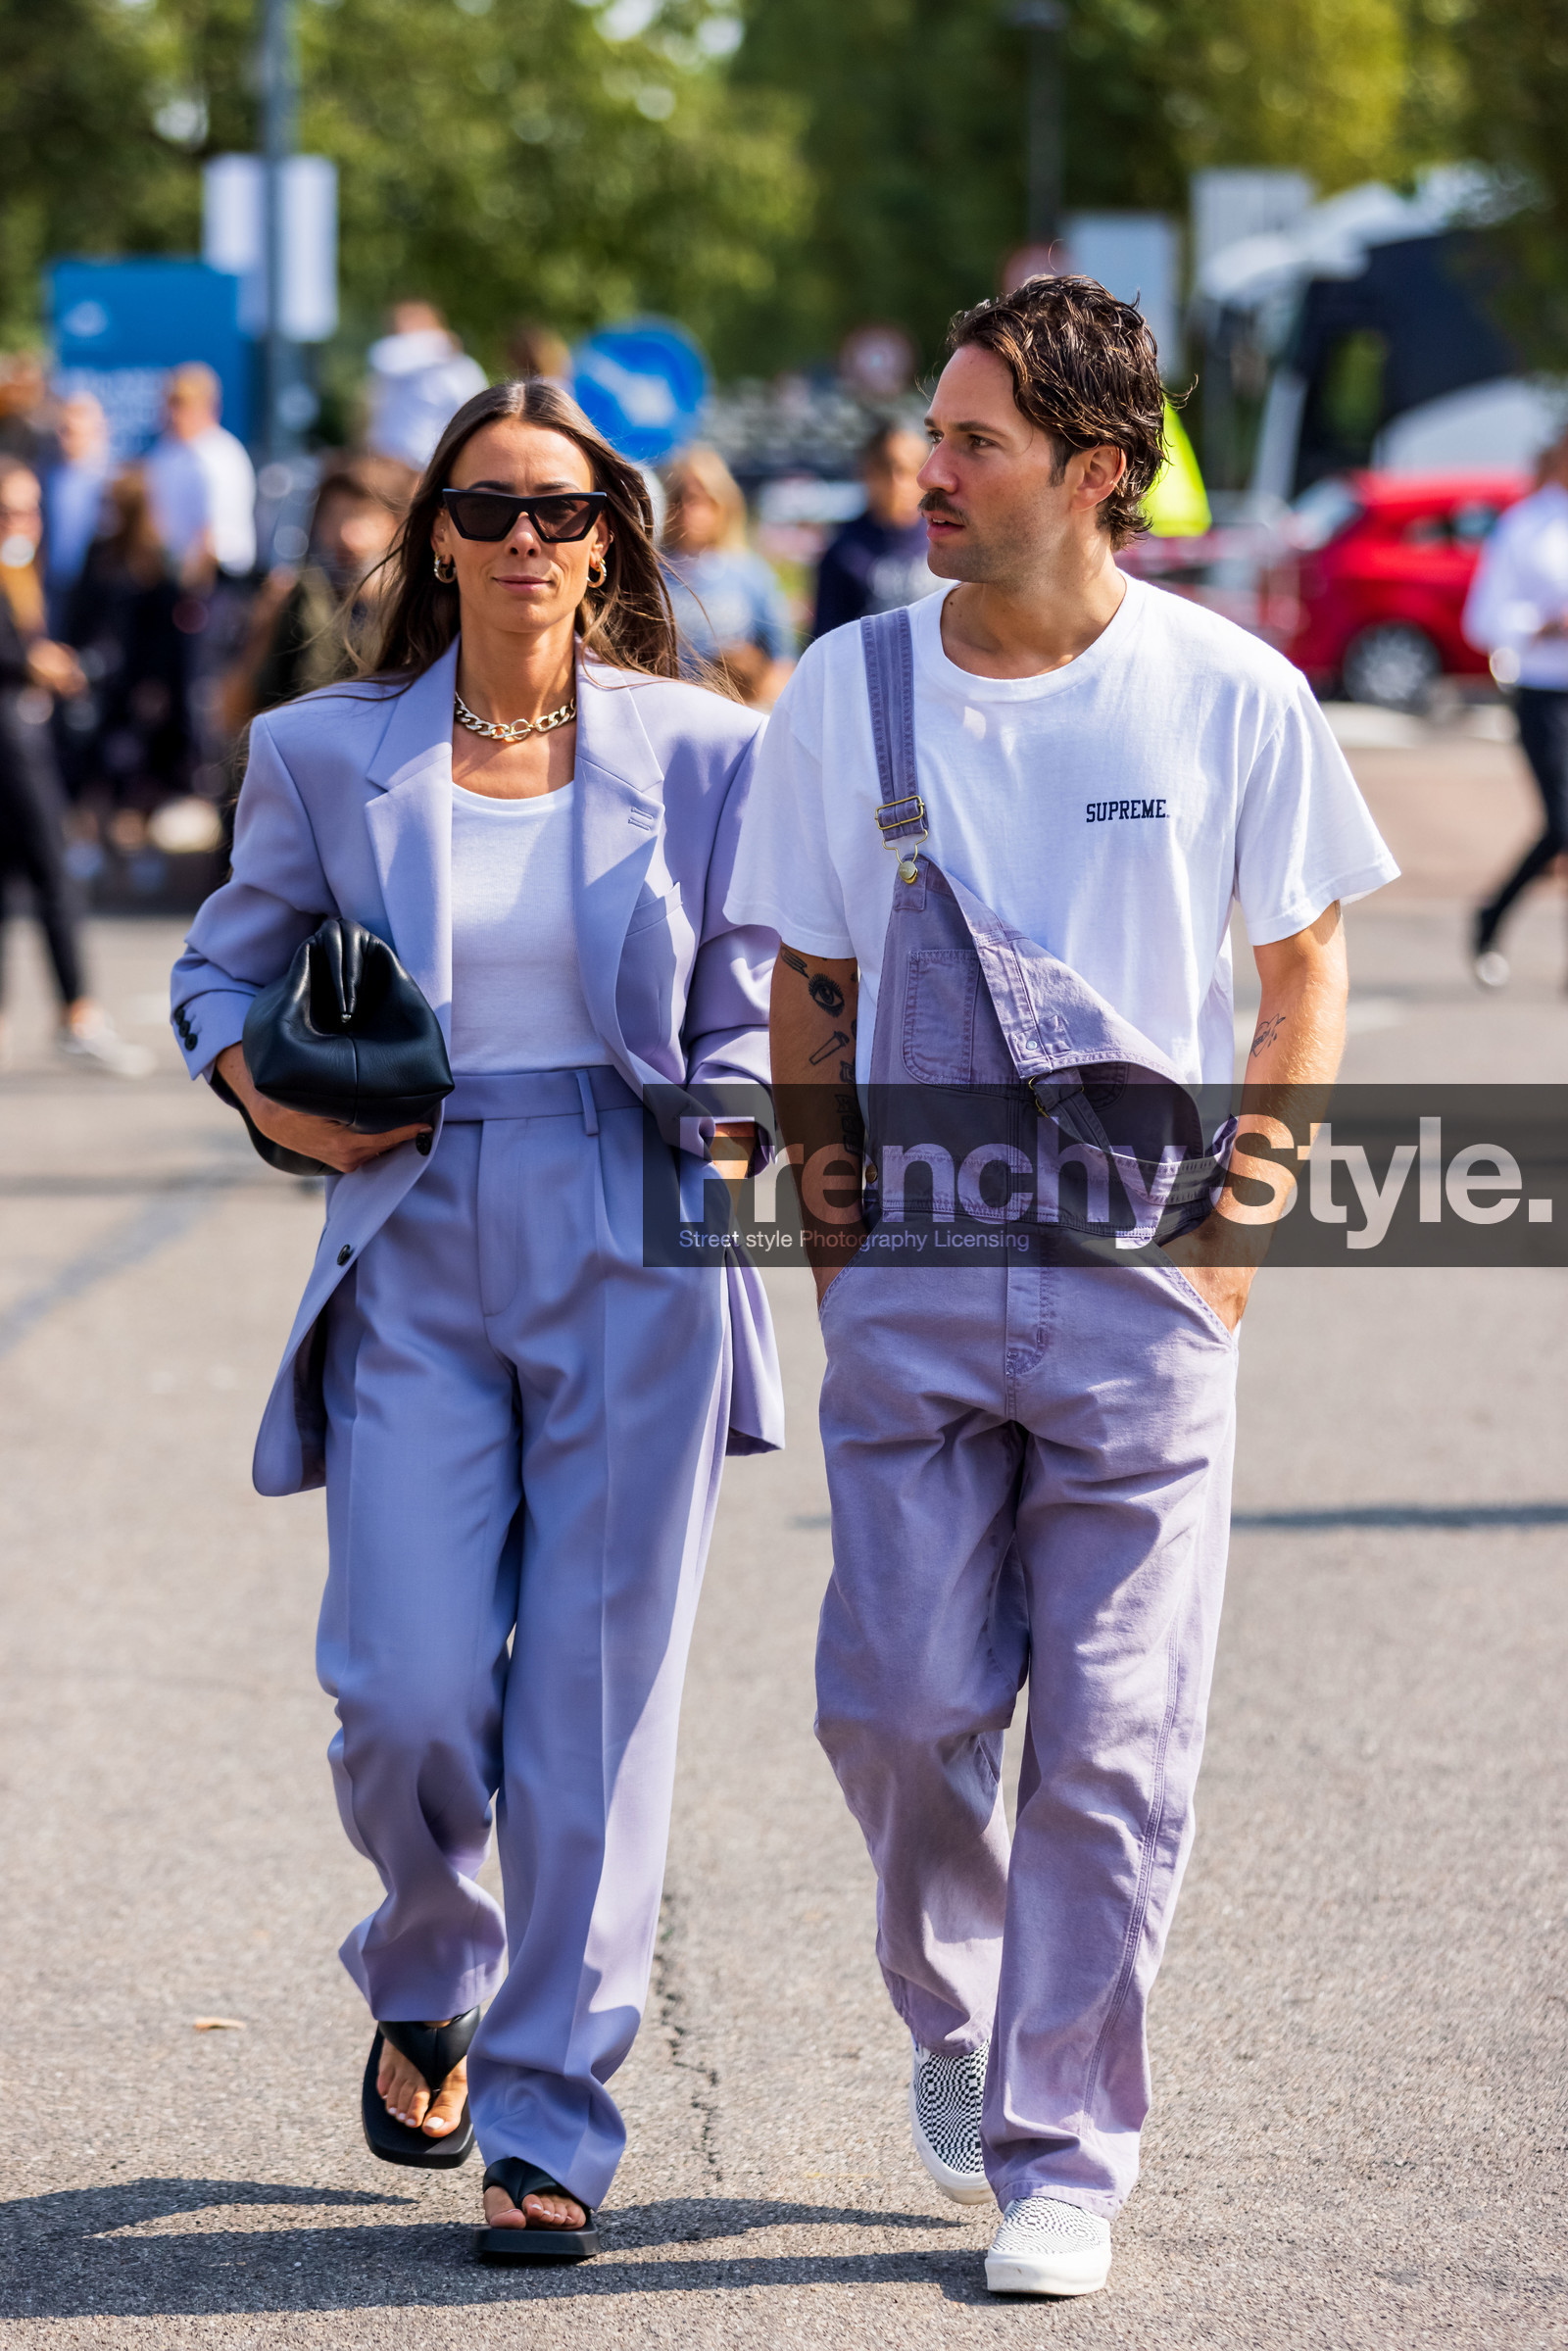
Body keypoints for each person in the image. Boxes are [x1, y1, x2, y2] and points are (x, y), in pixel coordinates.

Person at [725, 275, 1397, 2299]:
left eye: (974, 441)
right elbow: (810, 987)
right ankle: (956, 2011)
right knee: (901, 1704)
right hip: (911, 1277)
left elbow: (1298, 969)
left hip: (1139, 1289)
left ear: (1095, 474)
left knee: (1109, 1738)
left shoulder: (1224, 689)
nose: (926, 468)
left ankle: (1063, 2141)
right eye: (935, 430)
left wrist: (1234, 1227)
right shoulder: (845, 691)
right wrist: (835, 1238)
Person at [170, 376, 781, 2253]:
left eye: (566, 510)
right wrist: (263, 1094)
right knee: (407, 1684)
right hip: (411, 1216)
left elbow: (750, 994)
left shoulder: (701, 747)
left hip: (631, 1210)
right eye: (494, 507)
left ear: (613, 539)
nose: (529, 540)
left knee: (595, 1706)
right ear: (433, 529)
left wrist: (744, 1130)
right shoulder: (323, 749)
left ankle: (551, 2115)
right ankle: (426, 1959)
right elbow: (218, 967)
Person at [0, 461, 153, 1075]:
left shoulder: (23, 570)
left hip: (23, 732)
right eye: (8, 510)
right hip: (11, 737)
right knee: (52, 869)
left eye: (29, 509)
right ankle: (78, 1015)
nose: (22, 522)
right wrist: (32, 664)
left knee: (14, 878)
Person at [1461, 429, 1568, 988]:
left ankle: (1495, 919)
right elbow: (1483, 619)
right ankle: (1491, 914)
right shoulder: (1525, 525)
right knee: (1563, 823)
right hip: (1544, 693)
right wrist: (1542, 626)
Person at [219, 452, 416, 731]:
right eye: (334, 519)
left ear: (395, 526)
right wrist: (263, 627)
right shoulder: (298, 598)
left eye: (362, 518)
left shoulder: (413, 612)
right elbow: (232, 712)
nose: (345, 535)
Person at [66, 465, 193, 814]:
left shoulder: (158, 559)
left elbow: (168, 633)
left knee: (138, 769)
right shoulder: (98, 552)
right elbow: (81, 612)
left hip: (138, 681)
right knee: (93, 765)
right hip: (100, 678)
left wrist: (156, 683)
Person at [662, 446, 794, 706]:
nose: (691, 510)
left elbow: (782, 663)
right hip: (670, 709)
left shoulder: (750, 573)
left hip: (736, 711)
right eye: (681, 498)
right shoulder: (653, 575)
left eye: (702, 499)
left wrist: (751, 680)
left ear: (723, 503)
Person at [811, 420, 939, 638]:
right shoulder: (845, 552)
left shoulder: (948, 537)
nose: (897, 483)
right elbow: (827, 637)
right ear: (867, 472)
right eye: (886, 469)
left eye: (909, 470)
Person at [143, 365, 257, 586]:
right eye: (171, 403)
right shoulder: (164, 452)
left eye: (183, 404)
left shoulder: (221, 456)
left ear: (210, 407)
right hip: (172, 577)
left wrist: (192, 587)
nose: (174, 413)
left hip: (219, 580)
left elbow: (212, 538)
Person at [366, 303, 488, 471]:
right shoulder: (394, 363)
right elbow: (384, 356)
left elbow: (474, 412)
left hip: (433, 462)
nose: (405, 337)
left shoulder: (462, 368)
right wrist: (440, 345)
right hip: (390, 461)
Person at [42, 393, 112, 635]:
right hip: (53, 584)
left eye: (75, 431)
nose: (68, 438)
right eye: (64, 430)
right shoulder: (46, 476)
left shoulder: (110, 481)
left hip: (97, 588)